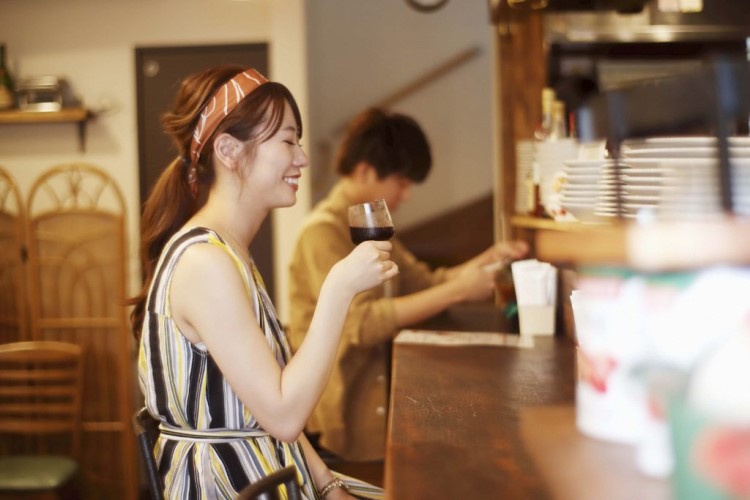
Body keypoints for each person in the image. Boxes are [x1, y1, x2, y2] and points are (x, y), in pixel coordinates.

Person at [130, 66, 398, 499]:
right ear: (229, 150)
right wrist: (338, 288)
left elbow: (270, 408)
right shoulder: (204, 262)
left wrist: (328, 485)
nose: (303, 158)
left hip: (270, 473)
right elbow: (285, 415)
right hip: (229, 485)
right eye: (288, 140)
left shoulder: (229, 253)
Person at [287, 108, 529, 462]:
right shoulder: (322, 233)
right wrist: (459, 290)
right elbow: (361, 324)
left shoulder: (374, 224)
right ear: (366, 170)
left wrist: (486, 259)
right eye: (401, 182)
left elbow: (421, 281)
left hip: (379, 396)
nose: (406, 195)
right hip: (346, 413)